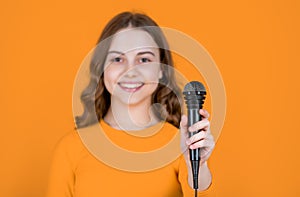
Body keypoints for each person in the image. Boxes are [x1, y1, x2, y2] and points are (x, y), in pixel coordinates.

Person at [46, 11, 216, 197]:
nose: (131, 71)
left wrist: (198, 166)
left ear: (161, 69)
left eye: (144, 59)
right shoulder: (70, 148)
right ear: (102, 67)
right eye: (118, 59)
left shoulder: (181, 144)